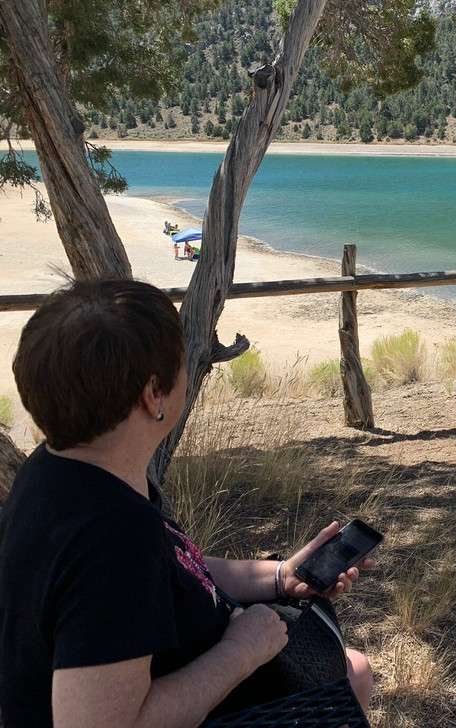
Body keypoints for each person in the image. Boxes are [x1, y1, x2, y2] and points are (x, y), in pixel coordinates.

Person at [0, 279, 374, 728]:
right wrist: (240, 653)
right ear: (152, 395)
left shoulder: (57, 469)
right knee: (353, 677)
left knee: (355, 670)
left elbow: (174, 568)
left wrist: (279, 576)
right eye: (181, 362)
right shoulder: (111, 537)